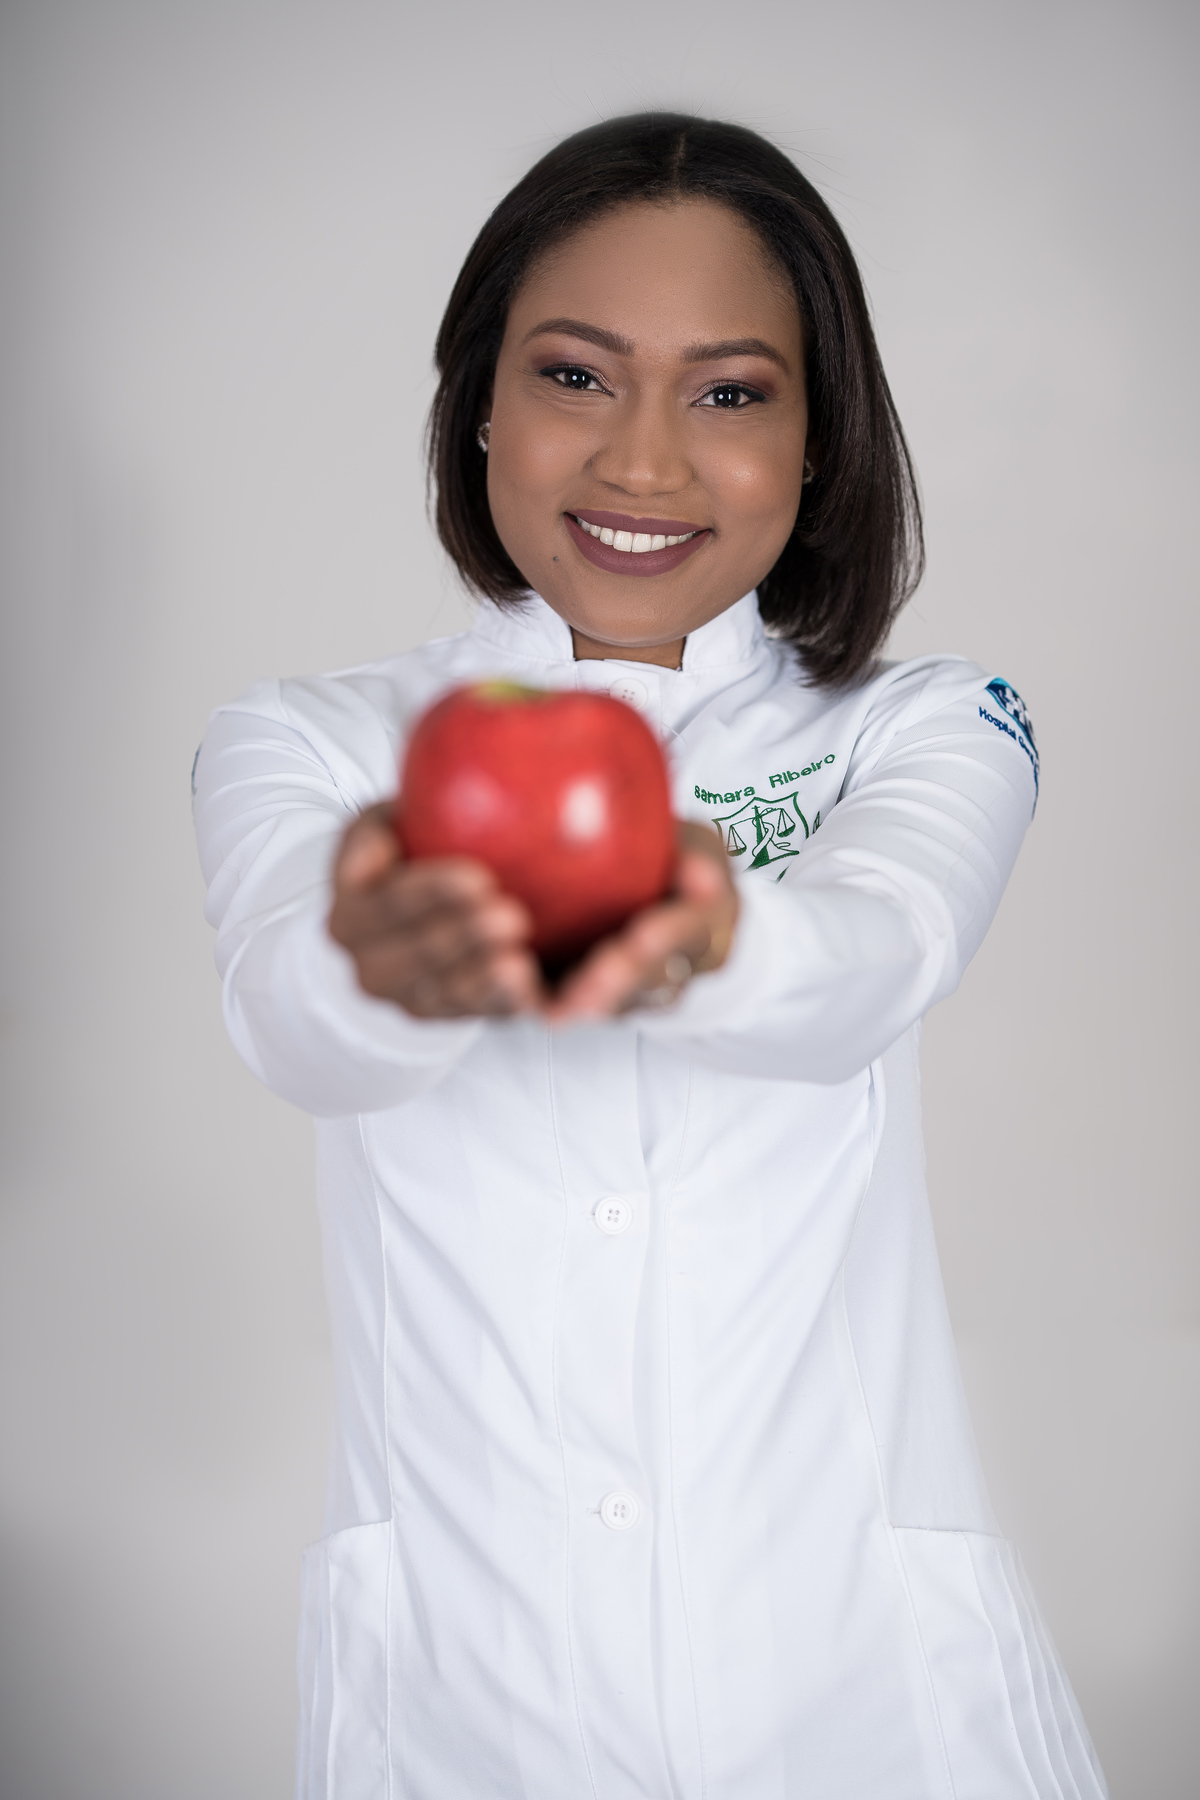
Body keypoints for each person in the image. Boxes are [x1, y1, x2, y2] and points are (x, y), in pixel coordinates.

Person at [193, 113, 1106, 1800]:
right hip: (465, 1704)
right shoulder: (309, 746)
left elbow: (880, 948)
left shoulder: (927, 723)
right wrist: (389, 965)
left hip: (866, 1700)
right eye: (576, 375)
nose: (644, 461)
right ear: (480, 401)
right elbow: (292, 1016)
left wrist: (706, 938)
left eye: (734, 391)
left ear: (822, 440)